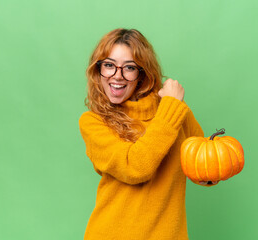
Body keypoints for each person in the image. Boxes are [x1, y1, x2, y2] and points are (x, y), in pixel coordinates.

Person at [79, 28, 204, 240]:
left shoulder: (171, 110)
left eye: (129, 67)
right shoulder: (94, 122)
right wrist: (171, 107)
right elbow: (136, 167)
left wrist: (218, 168)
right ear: (98, 69)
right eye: (109, 65)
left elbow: (203, 166)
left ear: (142, 73)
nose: (117, 75)